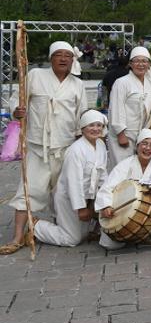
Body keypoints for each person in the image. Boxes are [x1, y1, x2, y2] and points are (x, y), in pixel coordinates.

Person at [1, 41, 88, 255]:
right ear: (51, 58)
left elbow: (82, 116)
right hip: (38, 147)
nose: (63, 59)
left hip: (66, 146)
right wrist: (17, 111)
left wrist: (82, 143)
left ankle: (57, 227)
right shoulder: (36, 76)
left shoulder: (77, 85)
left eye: (67, 55)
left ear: (72, 60)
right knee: (29, 190)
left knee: (63, 192)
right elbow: (16, 101)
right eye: (58, 55)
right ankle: (18, 236)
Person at [32, 110, 108, 247]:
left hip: (87, 197)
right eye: (91, 125)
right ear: (83, 128)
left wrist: (105, 197)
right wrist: (81, 208)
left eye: (99, 125)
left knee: (82, 235)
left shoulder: (101, 146)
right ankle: (36, 226)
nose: (96, 129)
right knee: (72, 239)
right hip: (69, 198)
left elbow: (103, 175)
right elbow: (74, 182)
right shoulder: (76, 150)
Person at [96, 128, 151, 250]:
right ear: (137, 146)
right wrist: (106, 206)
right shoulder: (125, 165)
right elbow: (107, 187)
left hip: (144, 215)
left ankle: (144, 234)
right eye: (144, 143)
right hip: (120, 212)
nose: (148, 148)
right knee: (111, 245)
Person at [108, 46, 151, 168]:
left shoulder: (150, 83)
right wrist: (120, 134)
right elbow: (116, 108)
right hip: (125, 134)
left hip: (141, 135)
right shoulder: (122, 82)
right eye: (137, 61)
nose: (141, 64)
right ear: (130, 63)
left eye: (144, 61)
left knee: (137, 168)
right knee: (121, 168)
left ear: (149, 64)